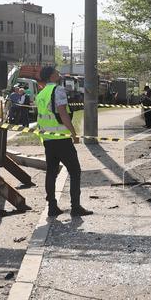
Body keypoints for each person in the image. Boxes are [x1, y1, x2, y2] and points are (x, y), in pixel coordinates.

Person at [36, 65, 92, 218]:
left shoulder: (41, 93)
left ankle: (52, 207)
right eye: (56, 72)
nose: (59, 74)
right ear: (51, 76)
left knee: (51, 172)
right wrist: (74, 134)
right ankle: (75, 207)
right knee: (75, 171)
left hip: (48, 139)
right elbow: (63, 113)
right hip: (61, 138)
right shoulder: (58, 90)